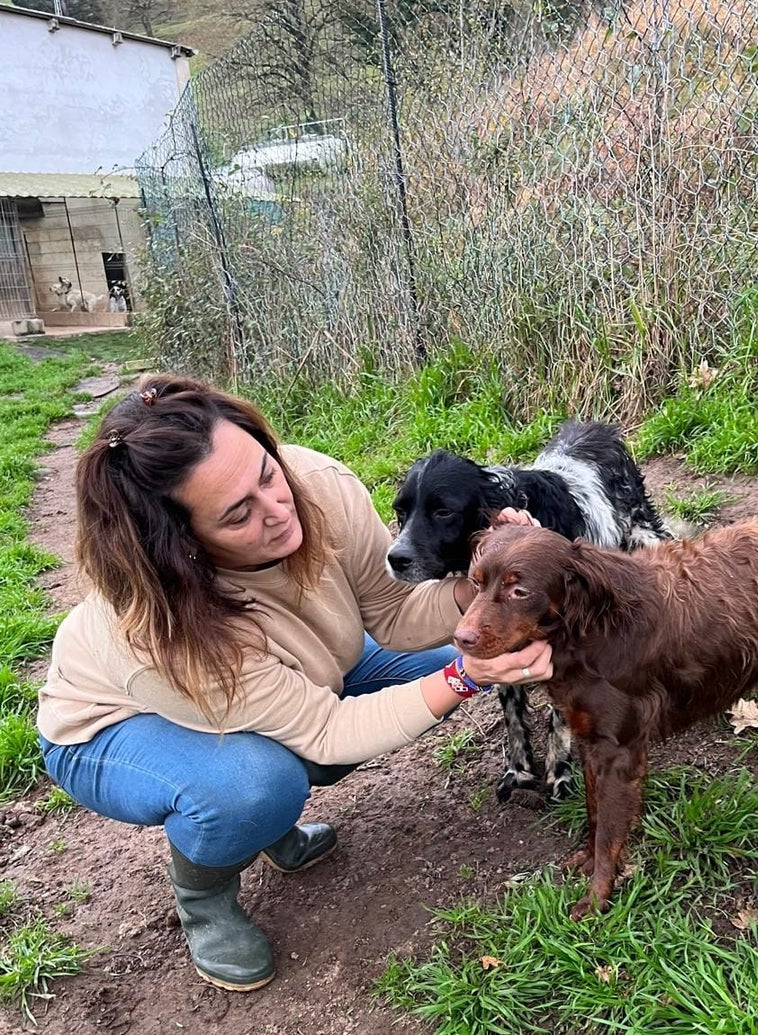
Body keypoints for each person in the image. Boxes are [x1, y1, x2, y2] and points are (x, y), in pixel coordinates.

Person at [36, 374, 552, 992]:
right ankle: (206, 899)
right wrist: (465, 677)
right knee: (255, 785)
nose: (279, 510)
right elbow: (327, 731)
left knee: (426, 669)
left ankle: (268, 822)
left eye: (266, 473)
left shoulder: (314, 483)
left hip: (286, 675)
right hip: (109, 725)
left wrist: (481, 582)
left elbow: (392, 613)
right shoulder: (157, 627)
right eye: (238, 514)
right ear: (180, 545)